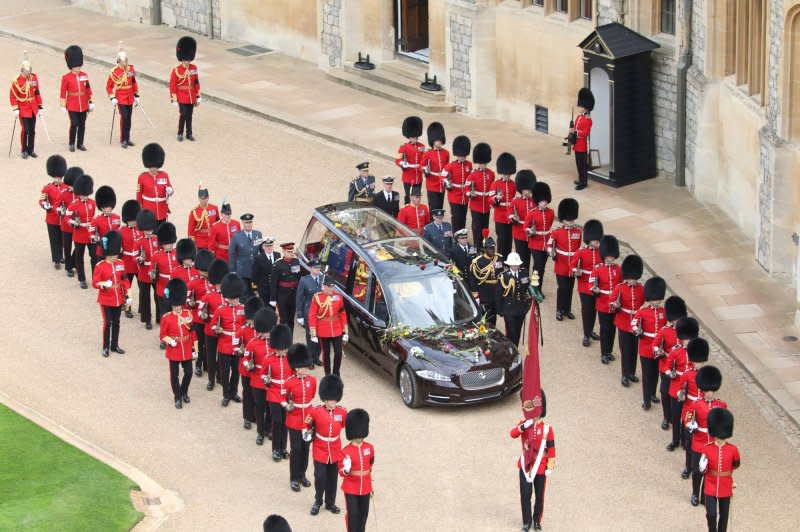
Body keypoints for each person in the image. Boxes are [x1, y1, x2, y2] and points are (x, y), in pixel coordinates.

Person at [510, 390, 555, 532]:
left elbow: (552, 450)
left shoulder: (547, 429)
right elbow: (513, 434)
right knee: (525, 494)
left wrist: (549, 467)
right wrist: (524, 425)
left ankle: (536, 521)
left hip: (540, 467)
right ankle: (526, 521)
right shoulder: (524, 424)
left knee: (539, 496)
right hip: (526, 465)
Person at [687, 365, 727, 507]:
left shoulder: (721, 405)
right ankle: (694, 493)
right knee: (697, 471)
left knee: (709, 473)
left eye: (711, 390)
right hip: (699, 441)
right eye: (707, 390)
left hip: (713, 443)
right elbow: (688, 417)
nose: (709, 393)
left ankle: (705, 495)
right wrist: (691, 425)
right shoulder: (696, 404)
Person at [306, 375, 346, 517]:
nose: (333, 403)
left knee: (332, 478)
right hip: (320, 448)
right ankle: (318, 501)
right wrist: (307, 433)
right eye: (330, 400)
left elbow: (343, 426)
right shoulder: (315, 411)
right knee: (320, 477)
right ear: (324, 399)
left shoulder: (342, 412)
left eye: (334, 400)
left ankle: (330, 502)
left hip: (334, 449)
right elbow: (306, 425)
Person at [679, 338, 712, 492]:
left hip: (703, 416)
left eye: (701, 362)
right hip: (690, 412)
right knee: (689, 443)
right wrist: (682, 395)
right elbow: (682, 391)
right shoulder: (687, 374)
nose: (698, 364)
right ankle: (688, 467)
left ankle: (700, 467)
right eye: (697, 361)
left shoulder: (708, 375)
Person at [699, 408, 739, 532]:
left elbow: (736, 464)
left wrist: (728, 476)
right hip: (710, 484)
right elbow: (703, 470)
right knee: (711, 514)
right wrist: (702, 467)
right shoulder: (707, 448)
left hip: (725, 485)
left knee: (724, 516)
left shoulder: (733, 449)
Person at [92, 231, 131, 357]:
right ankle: (105, 347)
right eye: (111, 254)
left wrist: (128, 293)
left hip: (118, 297)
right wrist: (104, 284)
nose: (114, 256)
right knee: (107, 322)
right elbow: (95, 283)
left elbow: (124, 279)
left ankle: (115, 345)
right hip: (106, 298)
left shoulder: (120, 263)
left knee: (117, 322)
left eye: (115, 254)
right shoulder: (100, 266)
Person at [160, 278, 197, 409]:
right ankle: (177, 396)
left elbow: (192, 332)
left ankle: (184, 391)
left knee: (188, 372)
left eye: (179, 305)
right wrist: (171, 341)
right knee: (174, 375)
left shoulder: (188, 314)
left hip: (186, 347)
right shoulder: (166, 317)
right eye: (176, 306)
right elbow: (163, 335)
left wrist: (195, 348)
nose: (178, 307)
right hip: (174, 349)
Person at [285, 343, 317, 492]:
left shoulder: (312, 381)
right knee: (296, 449)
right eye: (302, 367)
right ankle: (294, 478)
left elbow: (311, 396)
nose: (305, 369)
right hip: (294, 419)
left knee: (305, 449)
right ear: (296, 368)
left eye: (306, 367)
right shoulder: (289, 382)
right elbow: (283, 398)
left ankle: (302, 474)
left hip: (308, 419)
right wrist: (287, 406)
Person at [665, 316, 699, 454]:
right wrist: (670, 374)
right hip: (676, 387)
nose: (688, 341)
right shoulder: (675, 351)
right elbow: (667, 366)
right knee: (676, 415)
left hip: (689, 391)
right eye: (686, 339)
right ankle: (675, 440)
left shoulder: (695, 354)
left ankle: (685, 440)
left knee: (687, 417)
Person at [245, 307, 278, 445]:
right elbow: (246, 358)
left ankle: (269, 429)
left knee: (271, 406)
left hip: (272, 380)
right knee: (259, 406)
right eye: (265, 332)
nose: (267, 334)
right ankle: (260, 431)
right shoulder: (253, 343)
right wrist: (249, 365)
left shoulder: (276, 342)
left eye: (268, 331)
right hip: (257, 379)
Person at [211, 272, 246, 406]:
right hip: (225, 344)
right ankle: (226, 395)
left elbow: (245, 325)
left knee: (236, 372)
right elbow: (213, 325)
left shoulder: (243, 309)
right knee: (225, 373)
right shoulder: (220, 310)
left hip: (238, 345)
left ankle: (234, 392)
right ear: (228, 297)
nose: (235, 300)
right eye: (233, 298)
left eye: (236, 298)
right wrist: (217, 330)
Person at [632, 276, 667, 411]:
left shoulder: (663, 313)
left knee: (655, 374)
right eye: (654, 299)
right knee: (647, 375)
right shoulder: (642, 312)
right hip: (646, 347)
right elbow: (634, 324)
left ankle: (652, 394)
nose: (657, 302)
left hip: (658, 349)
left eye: (658, 299)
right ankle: (646, 399)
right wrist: (638, 331)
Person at [654, 295, 687, 430]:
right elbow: (655, 345)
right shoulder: (665, 331)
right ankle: (667, 417)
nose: (676, 322)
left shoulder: (687, 332)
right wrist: (659, 351)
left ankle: (677, 418)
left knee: (681, 396)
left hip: (682, 370)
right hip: (666, 366)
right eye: (675, 319)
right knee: (664, 392)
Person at [611, 254, 644, 387]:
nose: (632, 281)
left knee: (634, 349)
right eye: (630, 279)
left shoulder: (641, 288)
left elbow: (644, 304)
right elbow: (611, 302)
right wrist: (615, 306)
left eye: (634, 279)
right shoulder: (620, 288)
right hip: (623, 322)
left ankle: (631, 372)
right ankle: (624, 374)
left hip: (635, 323)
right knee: (625, 349)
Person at [569, 219, 603, 347]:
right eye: (595, 240)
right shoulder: (581, 252)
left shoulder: (602, 252)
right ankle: (586, 334)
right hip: (584, 286)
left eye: (598, 240)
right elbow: (572, 266)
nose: (597, 242)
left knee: (594, 310)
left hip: (598, 286)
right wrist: (576, 272)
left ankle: (591, 330)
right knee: (587, 310)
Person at [340, 408, 374, 532]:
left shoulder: (369, 448)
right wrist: (347, 469)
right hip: (350, 487)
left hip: (365, 486)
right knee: (353, 514)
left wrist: (370, 486)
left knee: (363, 514)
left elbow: (370, 466)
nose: (359, 437)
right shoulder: (345, 451)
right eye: (357, 435)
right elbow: (341, 472)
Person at [590, 235, 621, 365]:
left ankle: (609, 351)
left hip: (614, 305)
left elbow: (621, 286)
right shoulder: (598, 269)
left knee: (612, 328)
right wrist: (594, 289)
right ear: (604, 255)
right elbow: (591, 284)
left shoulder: (618, 269)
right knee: (604, 328)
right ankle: (603, 353)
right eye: (609, 256)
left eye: (613, 256)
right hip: (602, 303)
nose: (611, 258)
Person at [548, 198, 581, 322]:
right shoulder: (557, 232)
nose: (571, 222)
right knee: (562, 288)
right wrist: (551, 252)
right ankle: (559, 310)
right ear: (563, 219)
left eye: (572, 219)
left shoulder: (578, 232)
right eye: (568, 220)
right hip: (561, 265)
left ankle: (567, 310)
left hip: (572, 266)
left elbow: (578, 250)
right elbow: (549, 245)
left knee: (570, 288)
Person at [264, 324, 293, 461]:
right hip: (274, 393)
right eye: (281, 349)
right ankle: (275, 449)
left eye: (284, 349)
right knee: (277, 422)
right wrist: (266, 379)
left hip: (286, 394)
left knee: (285, 423)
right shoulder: (268, 359)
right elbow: (262, 375)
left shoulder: (290, 359)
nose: (283, 352)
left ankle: (283, 448)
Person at [308, 275, 348, 376]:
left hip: (336, 328)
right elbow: (312, 315)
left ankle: (336, 373)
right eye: (329, 287)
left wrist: (345, 331)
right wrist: (313, 333)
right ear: (324, 286)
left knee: (338, 352)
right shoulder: (317, 298)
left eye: (332, 287)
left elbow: (342, 313)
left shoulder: (338, 296)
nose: (331, 289)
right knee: (326, 354)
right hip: (323, 329)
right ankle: (327, 374)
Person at [199, 259, 229, 390]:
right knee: (211, 355)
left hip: (224, 329)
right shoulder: (208, 296)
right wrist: (203, 315)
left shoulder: (229, 295)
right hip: (210, 329)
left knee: (222, 355)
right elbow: (201, 310)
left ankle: (220, 376)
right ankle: (211, 378)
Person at [60, 45, 93, 152]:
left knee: (82, 125)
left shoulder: (84, 75)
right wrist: (62, 105)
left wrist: (91, 101)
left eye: (79, 65)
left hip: (83, 103)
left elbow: (88, 89)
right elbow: (63, 91)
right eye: (76, 65)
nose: (78, 67)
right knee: (74, 123)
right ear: (71, 65)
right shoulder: (66, 77)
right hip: (72, 104)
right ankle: (71, 143)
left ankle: (80, 143)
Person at [10, 53, 43, 159]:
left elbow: (37, 92)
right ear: (22, 71)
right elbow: (12, 95)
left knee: (32, 130)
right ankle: (23, 150)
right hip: (23, 108)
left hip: (33, 107)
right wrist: (15, 107)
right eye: (26, 72)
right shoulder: (17, 81)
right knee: (25, 129)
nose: (28, 73)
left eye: (29, 71)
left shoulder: (33, 78)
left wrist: (40, 105)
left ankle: (31, 150)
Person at [105, 44, 139, 148]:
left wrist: (136, 95)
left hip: (130, 97)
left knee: (129, 118)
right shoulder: (114, 72)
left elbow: (133, 82)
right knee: (124, 117)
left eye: (126, 60)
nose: (126, 63)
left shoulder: (130, 69)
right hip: (121, 97)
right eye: (124, 61)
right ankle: (123, 139)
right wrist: (112, 97)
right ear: (119, 61)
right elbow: (109, 87)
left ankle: (127, 138)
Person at [237, 296, 263, 430]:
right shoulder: (243, 331)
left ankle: (257, 416)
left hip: (259, 370)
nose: (252, 322)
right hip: (246, 368)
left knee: (258, 395)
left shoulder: (263, 332)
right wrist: (240, 351)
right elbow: (236, 347)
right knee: (247, 392)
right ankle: (247, 417)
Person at [187, 249, 214, 376]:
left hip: (210, 318)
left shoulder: (214, 283)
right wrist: (190, 303)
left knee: (209, 344)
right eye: (204, 271)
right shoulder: (193, 283)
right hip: (198, 319)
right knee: (199, 343)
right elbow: (188, 301)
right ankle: (198, 364)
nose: (206, 273)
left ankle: (208, 365)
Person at [66, 174, 95, 289]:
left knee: (94, 257)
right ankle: (82, 279)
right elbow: (67, 218)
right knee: (79, 258)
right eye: (83, 194)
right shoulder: (74, 205)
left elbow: (92, 217)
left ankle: (95, 278)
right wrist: (74, 223)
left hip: (90, 234)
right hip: (79, 233)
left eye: (86, 194)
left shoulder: (92, 203)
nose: (84, 196)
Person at [524, 182, 553, 297]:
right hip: (535, 243)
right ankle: (534, 287)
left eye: (545, 201)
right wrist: (530, 231)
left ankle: (538, 288)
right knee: (538, 265)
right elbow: (525, 227)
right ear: (538, 201)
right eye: (542, 201)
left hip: (545, 243)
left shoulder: (551, 213)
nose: (544, 203)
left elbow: (549, 227)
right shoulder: (532, 213)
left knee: (542, 267)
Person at [497, 252, 531, 347]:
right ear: (510, 264)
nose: (516, 265)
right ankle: (510, 349)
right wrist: (500, 310)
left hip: (520, 308)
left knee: (517, 332)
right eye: (514, 264)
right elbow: (499, 294)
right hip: (509, 309)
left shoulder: (523, 272)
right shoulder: (504, 276)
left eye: (517, 264)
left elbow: (527, 287)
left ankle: (515, 348)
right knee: (511, 332)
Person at [170, 36, 201, 141]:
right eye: (185, 59)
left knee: (189, 116)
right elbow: (173, 85)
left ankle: (189, 134)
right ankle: (180, 133)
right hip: (181, 96)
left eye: (188, 59)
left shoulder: (194, 68)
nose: (186, 62)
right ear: (181, 59)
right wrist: (174, 99)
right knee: (183, 114)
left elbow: (196, 82)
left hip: (191, 96)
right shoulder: (176, 70)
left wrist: (198, 96)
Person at [469, 232, 502, 328]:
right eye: (489, 249)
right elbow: (473, 279)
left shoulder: (499, 258)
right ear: (484, 249)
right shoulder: (478, 262)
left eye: (493, 248)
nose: (492, 251)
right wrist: (475, 293)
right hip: (484, 292)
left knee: (494, 315)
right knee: (484, 317)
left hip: (496, 291)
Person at [40, 155, 67, 268]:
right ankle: (56, 259)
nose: (58, 179)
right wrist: (45, 205)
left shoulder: (66, 187)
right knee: (54, 239)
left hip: (64, 218)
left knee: (63, 239)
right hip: (52, 217)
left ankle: (62, 257)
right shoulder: (47, 188)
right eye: (56, 177)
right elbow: (41, 200)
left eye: (59, 177)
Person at [296, 259, 324, 366]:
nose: (318, 270)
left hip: (321, 312)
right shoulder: (304, 280)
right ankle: (310, 359)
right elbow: (299, 298)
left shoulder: (322, 279)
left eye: (319, 268)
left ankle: (316, 357)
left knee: (319, 336)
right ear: (311, 268)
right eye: (316, 268)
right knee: (311, 336)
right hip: (309, 312)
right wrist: (300, 314)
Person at [467, 142, 494, 249]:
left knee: (485, 227)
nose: (483, 165)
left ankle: (484, 245)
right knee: (476, 227)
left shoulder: (491, 174)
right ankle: (477, 246)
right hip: (476, 205)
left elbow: (492, 189)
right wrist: (470, 194)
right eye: (481, 163)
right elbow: (466, 189)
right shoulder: (472, 175)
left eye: (485, 163)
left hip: (486, 205)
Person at [442, 135, 472, 232]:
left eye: (464, 155)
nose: (462, 157)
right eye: (460, 155)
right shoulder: (450, 166)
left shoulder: (469, 165)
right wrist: (448, 183)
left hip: (465, 196)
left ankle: (462, 235)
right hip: (454, 195)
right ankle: (455, 236)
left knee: (463, 217)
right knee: (456, 217)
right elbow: (442, 177)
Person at [135, 209, 159, 329]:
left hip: (155, 271)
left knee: (157, 295)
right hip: (144, 272)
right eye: (147, 230)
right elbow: (135, 256)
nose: (149, 232)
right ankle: (147, 319)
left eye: (150, 229)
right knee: (145, 297)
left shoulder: (156, 239)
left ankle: (159, 317)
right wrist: (140, 259)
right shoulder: (139, 241)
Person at [136, 143, 172, 224]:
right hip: (148, 209)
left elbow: (169, 187)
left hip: (162, 209)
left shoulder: (164, 175)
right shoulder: (142, 177)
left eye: (155, 167)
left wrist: (170, 190)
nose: (152, 169)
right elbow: (139, 195)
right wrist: (140, 209)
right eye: (151, 167)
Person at [270, 243, 302, 332]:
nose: (291, 253)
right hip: (282, 296)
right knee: (283, 320)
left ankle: (290, 340)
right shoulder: (278, 264)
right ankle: (283, 340)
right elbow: (273, 283)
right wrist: (273, 298)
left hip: (293, 295)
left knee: (291, 320)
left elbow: (298, 278)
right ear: (283, 252)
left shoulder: (296, 262)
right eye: (288, 252)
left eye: (292, 251)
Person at [151, 222, 179, 325]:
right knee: (165, 313)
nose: (169, 246)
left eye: (171, 243)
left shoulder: (177, 253)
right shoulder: (156, 255)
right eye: (167, 244)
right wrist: (153, 275)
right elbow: (152, 271)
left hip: (175, 287)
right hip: (162, 287)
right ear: (162, 244)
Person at [491, 152, 517, 260]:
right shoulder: (496, 184)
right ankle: (500, 260)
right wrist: (496, 199)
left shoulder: (513, 184)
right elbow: (490, 199)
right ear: (502, 173)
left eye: (508, 175)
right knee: (501, 239)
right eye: (505, 174)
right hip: (500, 215)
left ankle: (507, 260)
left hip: (509, 217)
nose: (507, 176)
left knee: (509, 239)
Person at [510, 170, 536, 274]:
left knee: (532, 259)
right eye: (527, 189)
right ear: (521, 189)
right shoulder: (516, 201)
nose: (529, 191)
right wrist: (513, 218)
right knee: (522, 258)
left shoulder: (535, 201)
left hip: (532, 235)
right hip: (520, 234)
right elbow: (510, 213)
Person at [90, 185, 121, 271]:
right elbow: (91, 235)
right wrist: (97, 239)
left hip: (115, 250)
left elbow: (118, 233)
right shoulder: (96, 221)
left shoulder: (117, 218)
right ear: (101, 208)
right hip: (102, 250)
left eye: (109, 207)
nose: (107, 209)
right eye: (105, 207)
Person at [59, 167, 83, 278]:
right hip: (66, 225)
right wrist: (60, 210)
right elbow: (56, 205)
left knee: (78, 247)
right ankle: (68, 267)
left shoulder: (81, 196)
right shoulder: (64, 193)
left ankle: (75, 263)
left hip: (78, 226)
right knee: (67, 247)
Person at [229, 213, 261, 296]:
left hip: (254, 270)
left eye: (250, 222)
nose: (248, 224)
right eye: (246, 222)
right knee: (244, 293)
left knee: (254, 293)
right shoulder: (236, 236)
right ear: (242, 223)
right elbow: (231, 254)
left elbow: (262, 251)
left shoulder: (258, 234)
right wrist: (232, 270)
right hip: (242, 270)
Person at [395, 116, 425, 204]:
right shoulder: (403, 147)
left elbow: (424, 159)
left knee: (417, 196)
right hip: (408, 177)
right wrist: (403, 164)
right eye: (413, 137)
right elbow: (397, 160)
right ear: (409, 136)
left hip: (418, 177)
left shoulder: (422, 146)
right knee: (408, 196)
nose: (415, 138)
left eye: (416, 136)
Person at [420, 122, 449, 211]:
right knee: (434, 210)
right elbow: (421, 165)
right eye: (437, 140)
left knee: (440, 209)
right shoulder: (428, 153)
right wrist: (426, 170)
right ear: (433, 141)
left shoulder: (446, 153)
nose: (440, 142)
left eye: (440, 140)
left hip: (442, 185)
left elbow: (447, 167)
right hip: (432, 184)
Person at [571, 88, 594, 191]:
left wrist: (576, 132)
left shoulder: (588, 119)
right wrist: (571, 130)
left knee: (582, 165)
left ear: (585, 108)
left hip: (582, 145)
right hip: (576, 144)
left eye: (580, 106)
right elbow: (575, 127)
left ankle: (583, 182)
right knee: (578, 164)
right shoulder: (579, 117)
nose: (579, 108)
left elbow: (585, 133)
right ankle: (580, 179)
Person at [119, 199, 142, 289]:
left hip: (138, 264)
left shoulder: (141, 230)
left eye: (135, 220)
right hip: (127, 264)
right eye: (131, 220)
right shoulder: (121, 231)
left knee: (142, 288)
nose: (134, 222)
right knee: (126, 287)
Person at [187, 184, 218, 250]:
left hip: (213, 240)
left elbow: (218, 224)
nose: (204, 200)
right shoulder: (194, 212)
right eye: (202, 198)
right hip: (200, 242)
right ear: (198, 198)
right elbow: (190, 231)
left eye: (205, 198)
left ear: (208, 197)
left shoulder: (214, 208)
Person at [253, 236, 281, 303]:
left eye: (270, 245)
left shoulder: (278, 255)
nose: (269, 247)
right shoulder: (258, 258)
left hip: (276, 288)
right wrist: (255, 289)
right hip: (263, 289)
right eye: (266, 246)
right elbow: (255, 275)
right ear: (263, 247)